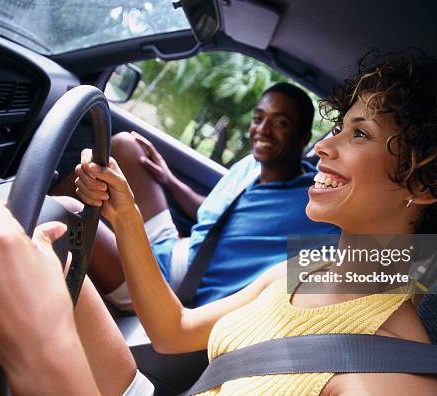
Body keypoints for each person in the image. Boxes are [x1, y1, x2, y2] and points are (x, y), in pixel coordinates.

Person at [0, 51, 437, 395]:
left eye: (358, 135)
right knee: (47, 260)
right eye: (338, 126)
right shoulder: (308, 268)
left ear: (422, 183)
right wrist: (127, 215)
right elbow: (173, 331)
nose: (321, 148)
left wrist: (39, 351)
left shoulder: (392, 375)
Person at [55, 82, 339, 309]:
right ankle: (27, 214)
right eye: (258, 118)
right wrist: (169, 180)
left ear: (303, 139)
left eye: (281, 123)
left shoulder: (315, 208)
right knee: (126, 146)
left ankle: (24, 227)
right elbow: (214, 214)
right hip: (176, 249)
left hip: (169, 285)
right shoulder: (248, 166)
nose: (262, 129)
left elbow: (364, 259)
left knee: (65, 212)